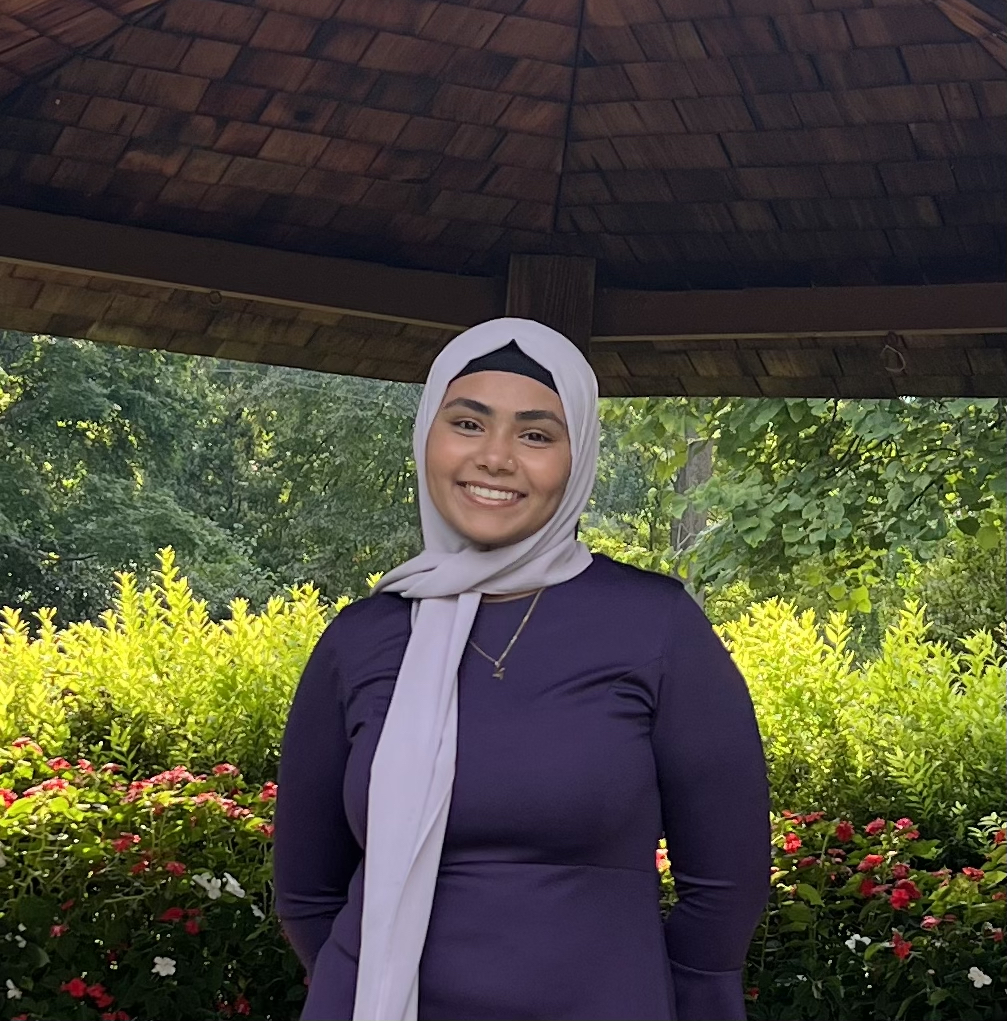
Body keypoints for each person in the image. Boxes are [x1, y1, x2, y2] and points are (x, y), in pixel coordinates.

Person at [273, 317, 771, 1021]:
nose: (495, 457)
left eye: (535, 435)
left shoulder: (655, 626)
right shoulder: (361, 638)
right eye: (467, 423)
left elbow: (723, 889)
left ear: (577, 458)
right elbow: (306, 892)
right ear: (427, 436)